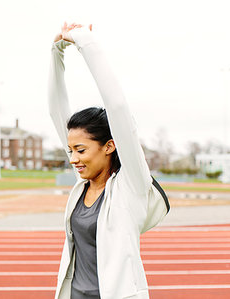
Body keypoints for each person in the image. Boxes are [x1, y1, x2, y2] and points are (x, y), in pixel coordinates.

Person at [48, 22, 170, 299]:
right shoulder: (82, 188)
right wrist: (56, 52)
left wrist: (84, 42)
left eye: (81, 150)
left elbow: (117, 107)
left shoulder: (131, 187)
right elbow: (55, 110)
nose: (74, 159)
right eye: (70, 151)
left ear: (110, 146)